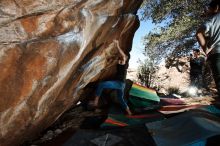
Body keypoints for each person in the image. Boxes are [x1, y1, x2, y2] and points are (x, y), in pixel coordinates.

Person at [92, 40, 132, 115]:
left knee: (102, 84)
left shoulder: (123, 64)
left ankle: (96, 101)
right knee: (120, 99)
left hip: (119, 84)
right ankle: (129, 112)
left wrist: (117, 45)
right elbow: (116, 58)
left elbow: (123, 56)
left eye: (124, 58)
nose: (122, 58)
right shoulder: (119, 63)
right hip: (121, 85)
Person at [196, 0, 220, 97]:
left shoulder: (213, 19)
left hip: (217, 55)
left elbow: (199, 33)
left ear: (217, 7)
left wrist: (206, 50)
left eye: (209, 8)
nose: (208, 10)